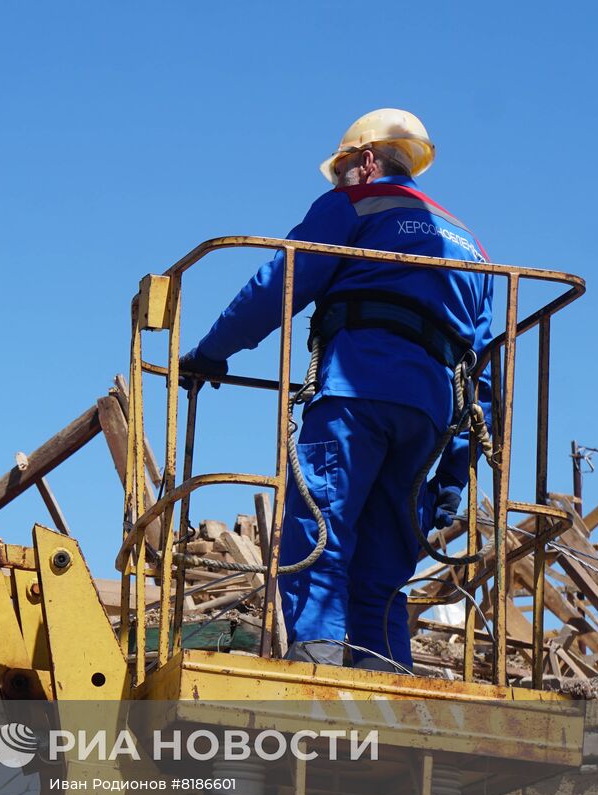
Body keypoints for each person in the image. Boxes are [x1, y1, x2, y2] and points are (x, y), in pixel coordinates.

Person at [179, 108, 492, 671]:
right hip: (429, 417)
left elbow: (278, 284)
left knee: (319, 538)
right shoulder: (471, 245)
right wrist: (454, 475)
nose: (337, 181)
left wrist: (210, 353)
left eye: (342, 168)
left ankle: (316, 677)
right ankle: (386, 685)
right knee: (385, 570)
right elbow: (485, 374)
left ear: (367, 160)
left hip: (357, 391)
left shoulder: (354, 204)